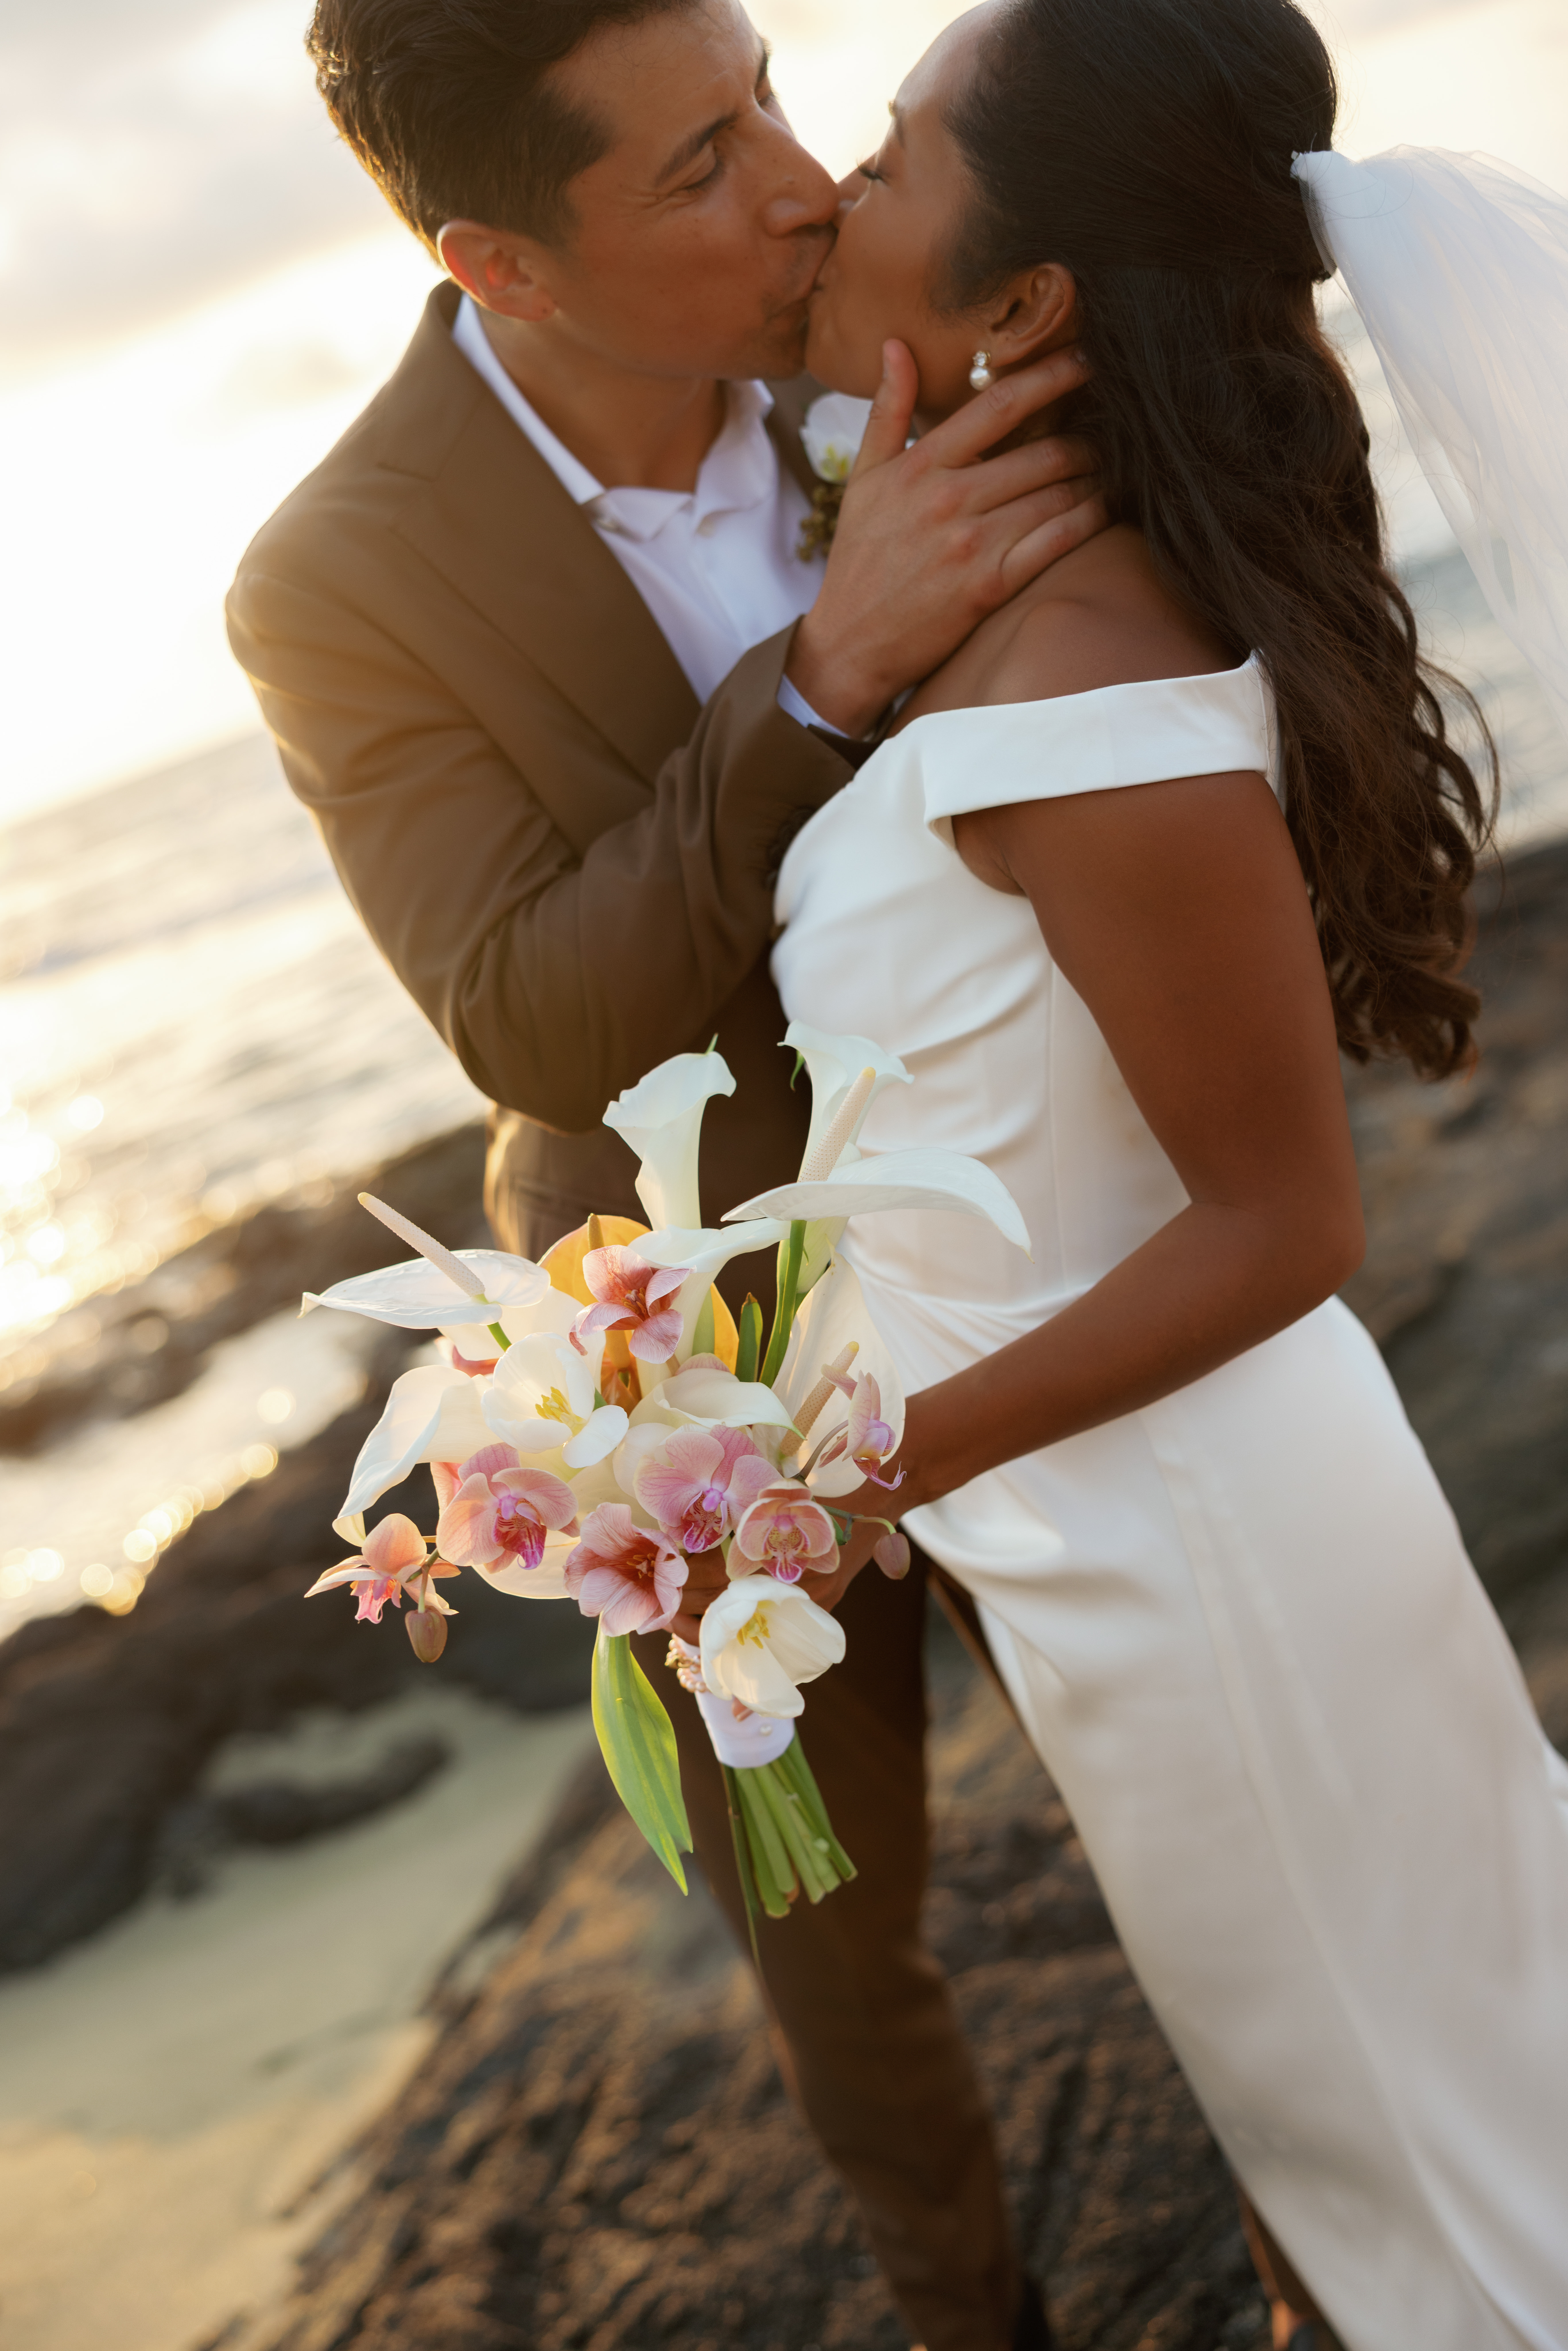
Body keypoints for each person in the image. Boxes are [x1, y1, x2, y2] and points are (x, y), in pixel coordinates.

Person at [225, 4, 1107, 2345]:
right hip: (684, 1340)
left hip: (1043, 1212)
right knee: (836, 1937)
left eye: (777, 102)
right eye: (705, 162)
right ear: (500, 263)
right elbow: (522, 1010)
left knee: (1192, 1748)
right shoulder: (332, 579)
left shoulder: (874, 316)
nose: (804, 188)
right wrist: (819, 673)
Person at [744, 0, 1568, 2344]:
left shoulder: (1090, 695)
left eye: (890, 155)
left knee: (1427, 2137)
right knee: (1369, 2100)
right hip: (1134, 1543)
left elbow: (1288, 1223)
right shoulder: (1020, 600)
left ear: (1020, 307)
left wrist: (864, 1466)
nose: (833, 187)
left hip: (1216, 1561)